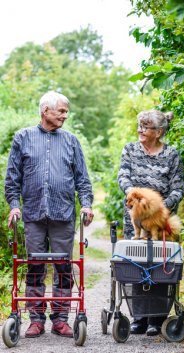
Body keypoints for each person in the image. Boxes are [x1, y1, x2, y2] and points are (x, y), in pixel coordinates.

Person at [5, 91, 94, 338]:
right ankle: (35, 319)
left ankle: (61, 319)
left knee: (63, 267)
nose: (65, 115)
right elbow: (12, 179)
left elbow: (83, 180)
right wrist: (14, 205)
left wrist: (86, 204)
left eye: (66, 111)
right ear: (46, 111)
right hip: (33, 214)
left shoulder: (71, 141)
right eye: (62, 111)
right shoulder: (23, 138)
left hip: (63, 214)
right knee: (34, 267)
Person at [118, 109, 184, 336]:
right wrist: (134, 196)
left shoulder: (171, 155)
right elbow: (123, 177)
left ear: (159, 132)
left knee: (160, 269)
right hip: (136, 222)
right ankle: (139, 317)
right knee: (136, 267)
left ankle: (156, 318)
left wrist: (161, 207)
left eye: (145, 127)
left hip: (160, 222)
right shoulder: (130, 150)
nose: (140, 130)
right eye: (139, 126)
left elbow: (178, 187)